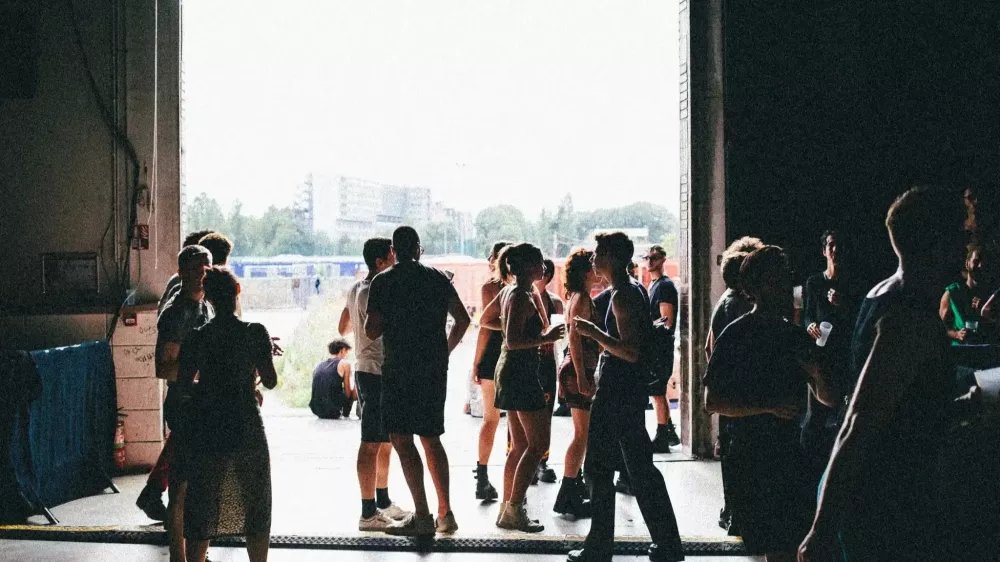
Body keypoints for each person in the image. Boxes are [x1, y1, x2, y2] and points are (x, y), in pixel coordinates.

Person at [798, 186, 968, 562]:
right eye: (961, 232)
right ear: (938, 240)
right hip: (883, 501)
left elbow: (898, 400)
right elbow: (860, 419)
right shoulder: (909, 317)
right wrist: (820, 530)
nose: (966, 244)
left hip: (877, 492)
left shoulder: (881, 292)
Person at [704, 246, 836, 561]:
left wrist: (818, 370)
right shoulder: (736, 335)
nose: (787, 285)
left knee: (786, 547)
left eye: (787, 276)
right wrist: (767, 406)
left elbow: (828, 397)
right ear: (758, 287)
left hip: (791, 452)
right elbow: (712, 401)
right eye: (779, 278)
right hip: (752, 456)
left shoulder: (794, 336)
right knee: (777, 547)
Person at [570, 231, 684, 562]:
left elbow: (631, 351)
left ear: (613, 257)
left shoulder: (622, 296)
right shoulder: (633, 289)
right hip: (628, 392)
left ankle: (599, 547)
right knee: (640, 469)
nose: (594, 258)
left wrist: (594, 333)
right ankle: (667, 544)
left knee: (598, 468)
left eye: (599, 252)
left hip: (616, 394)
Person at [364, 226, 471, 537]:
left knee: (401, 438)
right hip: (432, 370)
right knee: (431, 438)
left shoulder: (383, 281)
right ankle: (446, 514)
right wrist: (444, 350)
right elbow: (463, 320)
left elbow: (371, 330)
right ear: (419, 249)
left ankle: (422, 516)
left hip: (399, 370)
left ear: (394, 251)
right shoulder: (438, 278)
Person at [176, 267, 277, 562]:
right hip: (246, 422)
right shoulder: (254, 333)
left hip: (209, 423)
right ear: (237, 292)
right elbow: (270, 381)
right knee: (255, 502)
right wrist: (259, 362)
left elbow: (183, 386)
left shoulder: (197, 337)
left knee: (203, 502)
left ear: (208, 298)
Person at [480, 243, 565, 532]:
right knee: (537, 444)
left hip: (510, 370)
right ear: (527, 266)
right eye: (539, 261)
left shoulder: (511, 291)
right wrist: (545, 337)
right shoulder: (519, 295)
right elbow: (514, 341)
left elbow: (487, 320)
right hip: (521, 372)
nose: (544, 266)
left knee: (519, 446)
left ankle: (507, 508)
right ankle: (515, 507)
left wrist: (516, 328)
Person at [337, 237, 409, 530]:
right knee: (370, 443)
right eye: (392, 255)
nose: (396, 259)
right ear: (380, 262)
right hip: (374, 372)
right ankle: (368, 513)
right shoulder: (375, 290)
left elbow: (342, 327)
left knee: (384, 441)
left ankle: (382, 501)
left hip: (370, 369)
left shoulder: (356, 288)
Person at [152, 245, 214, 562]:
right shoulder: (177, 314)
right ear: (182, 273)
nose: (203, 274)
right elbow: (164, 367)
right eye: (196, 269)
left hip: (202, 402)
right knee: (181, 486)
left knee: (199, 486)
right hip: (184, 403)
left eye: (207, 268)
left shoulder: (206, 307)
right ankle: (179, 556)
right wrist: (203, 369)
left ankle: (196, 553)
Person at [704, 235, 764, 534]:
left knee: (732, 452)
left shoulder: (725, 300)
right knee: (741, 453)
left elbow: (708, 347)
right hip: (739, 389)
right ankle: (739, 515)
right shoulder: (740, 307)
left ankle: (732, 512)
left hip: (730, 387)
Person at [800, 230, 859, 480]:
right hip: (820, 357)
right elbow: (807, 315)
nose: (835, 250)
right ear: (824, 250)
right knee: (815, 415)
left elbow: (858, 322)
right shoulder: (814, 283)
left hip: (844, 356)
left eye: (839, 245)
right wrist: (810, 326)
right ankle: (808, 468)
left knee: (844, 414)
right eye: (831, 245)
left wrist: (843, 305)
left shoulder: (852, 284)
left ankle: (839, 469)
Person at [553, 248, 598, 519]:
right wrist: (581, 375)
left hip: (578, 369)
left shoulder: (578, 297)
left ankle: (572, 489)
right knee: (582, 435)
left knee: (582, 434)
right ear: (585, 272)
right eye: (593, 265)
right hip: (577, 370)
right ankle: (568, 493)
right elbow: (575, 338)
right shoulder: (581, 299)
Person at [471, 241, 511, 501]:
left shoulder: (491, 287)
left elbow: (485, 327)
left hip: (493, 357)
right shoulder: (524, 287)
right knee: (513, 422)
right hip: (514, 356)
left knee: (491, 419)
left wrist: (476, 362)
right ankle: (512, 478)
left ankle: (483, 476)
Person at [642, 245, 681, 453]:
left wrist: (646, 327)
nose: (650, 261)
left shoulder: (664, 286)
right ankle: (667, 431)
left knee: (657, 392)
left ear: (663, 259)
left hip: (660, 347)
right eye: (647, 257)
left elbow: (667, 320)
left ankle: (662, 436)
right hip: (657, 346)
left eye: (654, 257)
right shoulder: (655, 285)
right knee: (658, 392)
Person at [532, 257, 563, 484]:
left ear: (547, 276)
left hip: (546, 362)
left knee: (545, 414)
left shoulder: (555, 302)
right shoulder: (521, 297)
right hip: (527, 362)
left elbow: (560, 336)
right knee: (521, 415)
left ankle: (542, 460)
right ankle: (523, 459)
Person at [308, 339, 355, 420]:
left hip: (316, 409)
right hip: (333, 410)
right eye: (347, 352)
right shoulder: (345, 364)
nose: (347, 355)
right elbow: (347, 393)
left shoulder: (319, 364)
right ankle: (346, 414)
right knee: (353, 389)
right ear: (343, 350)